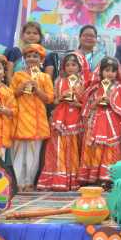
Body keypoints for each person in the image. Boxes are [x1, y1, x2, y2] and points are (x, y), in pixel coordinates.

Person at [38, 53, 85, 191]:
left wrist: (76, 103)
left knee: (73, 147)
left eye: (74, 65)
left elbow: (86, 104)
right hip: (60, 118)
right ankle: (57, 179)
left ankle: (72, 180)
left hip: (75, 118)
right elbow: (54, 101)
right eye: (67, 65)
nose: (70, 68)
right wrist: (62, 98)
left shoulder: (83, 83)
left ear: (79, 67)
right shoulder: (59, 81)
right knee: (58, 146)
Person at [11, 44, 54, 191]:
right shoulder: (18, 75)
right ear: (24, 58)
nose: (31, 59)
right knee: (18, 151)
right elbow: (10, 95)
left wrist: (37, 90)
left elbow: (49, 99)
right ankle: (18, 183)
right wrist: (21, 88)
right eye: (28, 56)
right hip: (20, 117)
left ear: (41, 60)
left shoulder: (45, 77)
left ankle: (29, 182)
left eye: (35, 56)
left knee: (34, 152)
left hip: (37, 119)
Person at [79, 57, 121, 184]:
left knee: (110, 148)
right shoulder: (94, 88)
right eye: (107, 70)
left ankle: (107, 178)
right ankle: (92, 177)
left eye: (113, 71)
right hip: (96, 122)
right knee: (95, 147)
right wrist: (96, 102)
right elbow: (87, 106)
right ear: (101, 72)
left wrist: (111, 102)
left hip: (112, 123)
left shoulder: (119, 88)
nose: (110, 73)